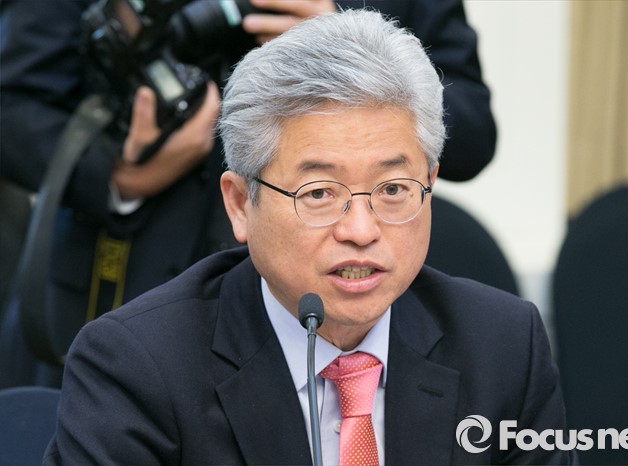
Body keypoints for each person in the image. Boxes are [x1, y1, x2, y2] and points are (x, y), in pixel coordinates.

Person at [44, 10, 572, 465]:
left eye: (393, 188)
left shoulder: (504, 347)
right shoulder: (137, 366)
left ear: (429, 183)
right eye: (318, 193)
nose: (361, 231)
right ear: (239, 204)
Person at [0, 0, 496, 388]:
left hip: (339, 304)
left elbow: (473, 129)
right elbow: (13, 106)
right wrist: (120, 177)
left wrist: (345, 53)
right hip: (120, 277)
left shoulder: (512, 341)